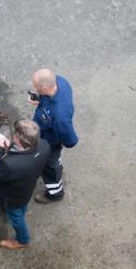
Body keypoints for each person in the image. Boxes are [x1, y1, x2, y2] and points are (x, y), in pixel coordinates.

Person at [0, 119, 51, 250]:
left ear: (20, 142)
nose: (13, 135)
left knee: (15, 218)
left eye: (15, 135)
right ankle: (22, 213)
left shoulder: (10, 164)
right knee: (21, 208)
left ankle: (22, 240)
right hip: (27, 188)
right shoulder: (44, 145)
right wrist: (11, 147)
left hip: (13, 197)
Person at [29, 68, 78, 203]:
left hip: (50, 141)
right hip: (44, 131)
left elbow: (71, 140)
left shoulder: (60, 115)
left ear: (44, 87)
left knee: (49, 166)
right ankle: (57, 163)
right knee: (54, 159)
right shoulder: (60, 82)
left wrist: (56, 144)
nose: (34, 88)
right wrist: (39, 98)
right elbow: (48, 99)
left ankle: (55, 193)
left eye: (36, 87)